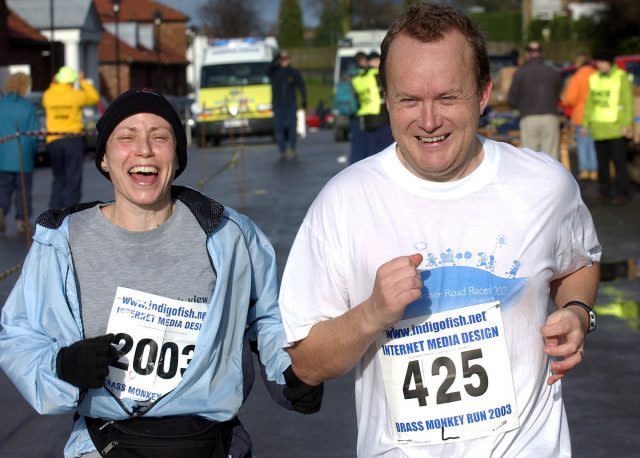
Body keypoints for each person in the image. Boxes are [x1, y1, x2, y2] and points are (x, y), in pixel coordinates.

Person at [278, 3, 601, 457]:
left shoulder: (545, 185)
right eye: (409, 100)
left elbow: (580, 262)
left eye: (448, 98)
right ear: (386, 98)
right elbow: (306, 364)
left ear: (484, 94)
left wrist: (576, 311)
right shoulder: (343, 202)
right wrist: (371, 313)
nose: (429, 121)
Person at [0, 88, 322, 458]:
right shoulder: (60, 241)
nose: (144, 150)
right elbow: (20, 333)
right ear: (104, 158)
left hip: (210, 443)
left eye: (159, 137)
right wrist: (61, 365)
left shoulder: (228, 234)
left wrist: (293, 371)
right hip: (107, 444)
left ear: (176, 155)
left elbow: (267, 318)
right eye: (126, 137)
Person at [42, 66, 100, 210]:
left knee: (58, 178)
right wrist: (82, 81)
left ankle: (54, 209)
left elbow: (50, 90)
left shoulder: (48, 95)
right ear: (71, 81)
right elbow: (95, 98)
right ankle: (70, 210)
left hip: (53, 141)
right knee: (73, 176)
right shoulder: (76, 95)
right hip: (72, 140)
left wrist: (54, 82)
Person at [583, 49, 634, 205]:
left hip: (616, 128)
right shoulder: (594, 78)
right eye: (597, 62)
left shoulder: (620, 77)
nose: (599, 65)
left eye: (601, 62)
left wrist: (626, 124)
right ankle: (604, 192)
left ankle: (622, 193)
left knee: (619, 163)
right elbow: (590, 103)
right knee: (602, 163)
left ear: (609, 62)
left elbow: (627, 103)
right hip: (598, 128)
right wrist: (585, 123)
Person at [508, 41, 562, 159]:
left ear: (527, 54)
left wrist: (520, 106)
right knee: (551, 159)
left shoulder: (520, 73)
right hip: (550, 117)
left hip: (529, 118)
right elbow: (558, 95)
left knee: (530, 158)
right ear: (541, 53)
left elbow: (512, 99)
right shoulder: (553, 72)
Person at [0, 72, 40, 235]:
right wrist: (34, 150)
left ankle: (1, 209)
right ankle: (22, 221)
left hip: (2, 156)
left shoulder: (1, 105)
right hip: (23, 155)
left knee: (3, 188)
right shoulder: (28, 107)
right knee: (23, 190)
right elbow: (34, 134)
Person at [562, 52, 598, 181]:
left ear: (579, 62)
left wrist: (565, 99)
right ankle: (595, 170)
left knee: (583, 144)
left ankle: (585, 170)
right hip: (598, 115)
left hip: (581, 114)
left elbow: (569, 99)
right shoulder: (597, 74)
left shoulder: (577, 77)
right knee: (593, 144)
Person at [268, 49, 307, 160]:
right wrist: (277, 56)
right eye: (282, 59)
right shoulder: (275, 72)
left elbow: (301, 87)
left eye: (286, 59)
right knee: (278, 129)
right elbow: (267, 69)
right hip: (278, 104)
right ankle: (282, 151)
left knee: (292, 127)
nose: (284, 61)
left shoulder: (294, 72)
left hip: (290, 104)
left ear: (289, 60)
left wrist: (304, 100)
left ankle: (292, 149)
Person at [349, 51, 370, 163]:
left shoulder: (349, 73)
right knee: (361, 144)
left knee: (356, 144)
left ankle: (354, 165)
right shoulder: (361, 74)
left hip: (353, 112)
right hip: (360, 112)